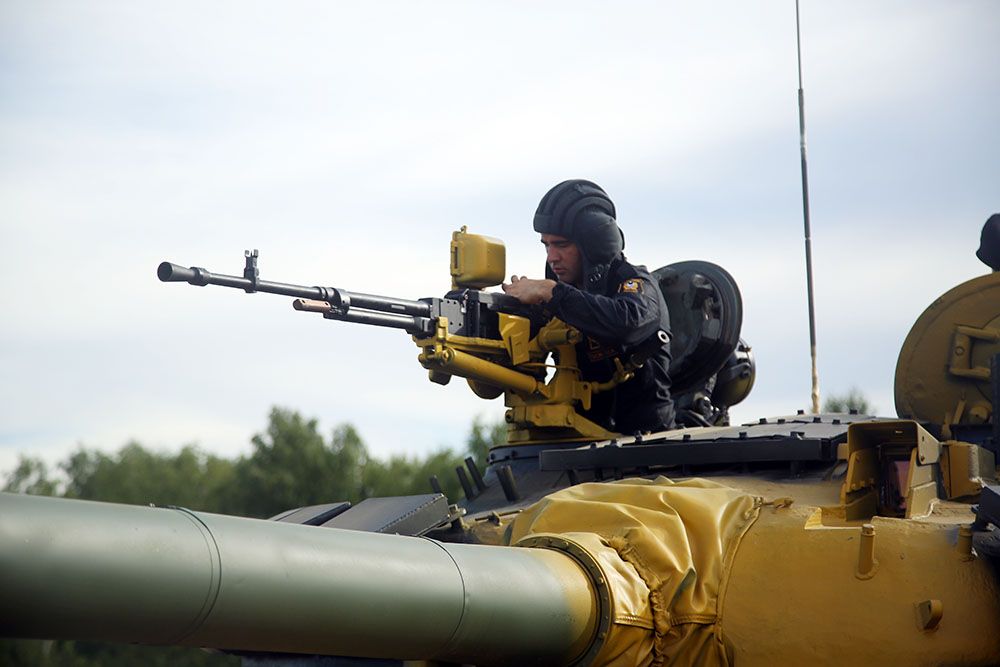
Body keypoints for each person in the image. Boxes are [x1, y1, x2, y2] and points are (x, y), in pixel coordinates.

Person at [502, 179, 675, 434]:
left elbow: (627, 322)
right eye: (546, 245)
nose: (552, 257)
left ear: (594, 244)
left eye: (561, 244)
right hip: (580, 440)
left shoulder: (635, 283)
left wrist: (551, 292)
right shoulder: (559, 299)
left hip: (650, 444)